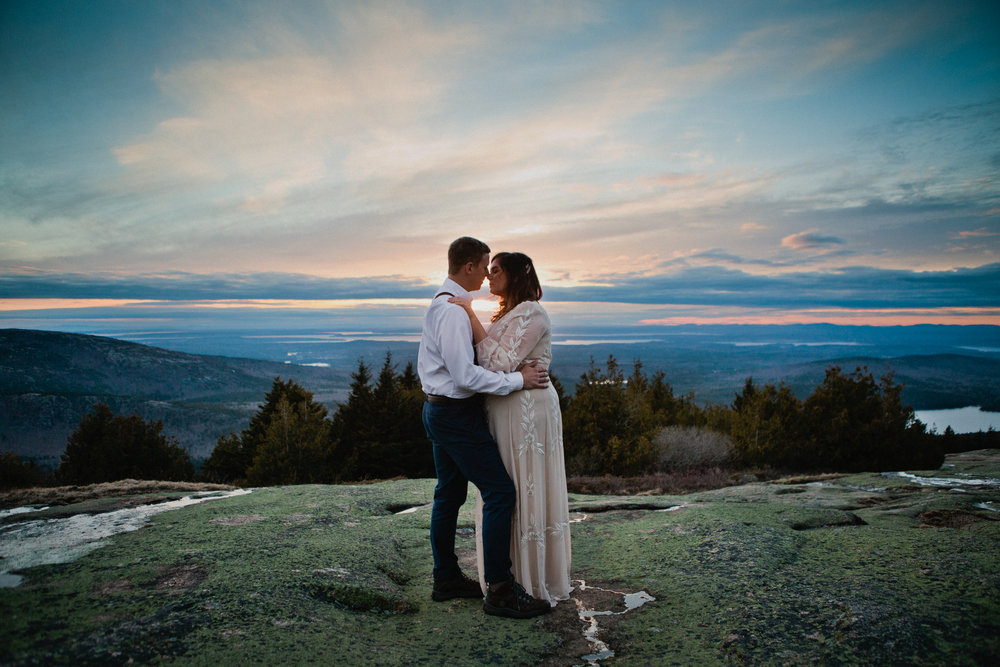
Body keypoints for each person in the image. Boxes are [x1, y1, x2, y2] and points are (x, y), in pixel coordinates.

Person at [418, 236, 552, 619]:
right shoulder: (452, 311)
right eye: (485, 265)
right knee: (499, 492)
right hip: (455, 414)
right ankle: (500, 590)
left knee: (449, 494)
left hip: (442, 410)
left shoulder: (445, 304)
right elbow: (465, 375)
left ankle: (445, 579)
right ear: (470, 267)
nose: (488, 273)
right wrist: (517, 382)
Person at [448, 251, 572, 605]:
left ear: (516, 274)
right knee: (506, 486)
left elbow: (496, 361)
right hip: (507, 407)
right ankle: (507, 576)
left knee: (523, 486)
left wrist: (469, 315)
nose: (489, 275)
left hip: (528, 411)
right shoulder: (508, 313)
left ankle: (529, 580)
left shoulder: (532, 311)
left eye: (497, 270)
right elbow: (491, 359)